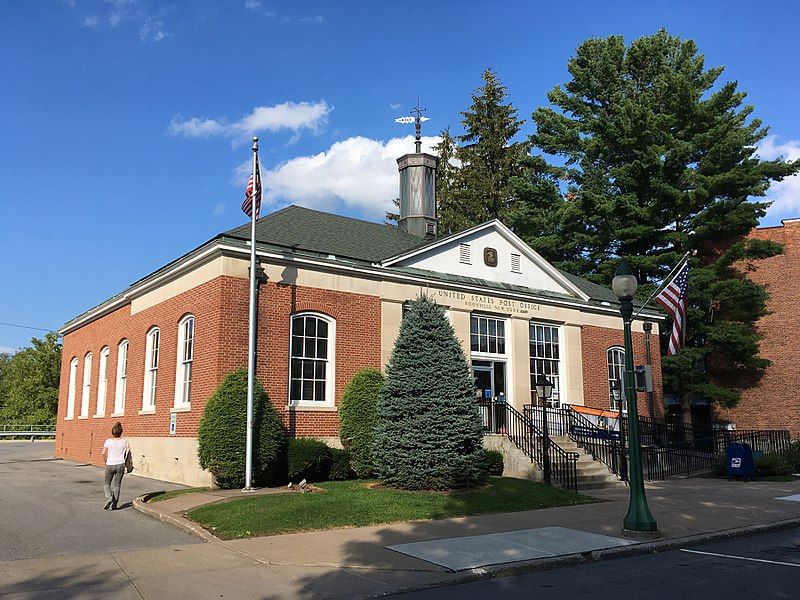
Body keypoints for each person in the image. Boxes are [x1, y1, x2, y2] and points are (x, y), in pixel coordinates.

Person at [102, 422, 129, 510]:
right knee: (117, 485)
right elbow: (128, 453)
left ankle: (109, 497)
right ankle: (114, 505)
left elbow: (103, 453)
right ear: (121, 432)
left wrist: (105, 461)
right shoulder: (125, 441)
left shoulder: (108, 441)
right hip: (120, 464)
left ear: (112, 432)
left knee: (107, 484)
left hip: (110, 464)